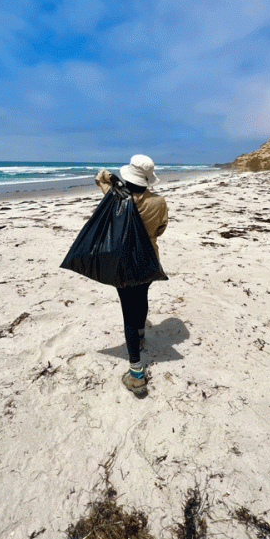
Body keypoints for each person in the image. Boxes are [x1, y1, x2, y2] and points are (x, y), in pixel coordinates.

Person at [95, 154, 168, 396]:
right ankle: (140, 336)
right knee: (142, 297)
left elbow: (100, 179)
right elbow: (161, 229)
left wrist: (109, 176)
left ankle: (136, 375)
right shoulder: (159, 202)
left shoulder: (115, 199)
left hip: (124, 263)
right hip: (148, 261)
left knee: (128, 311)